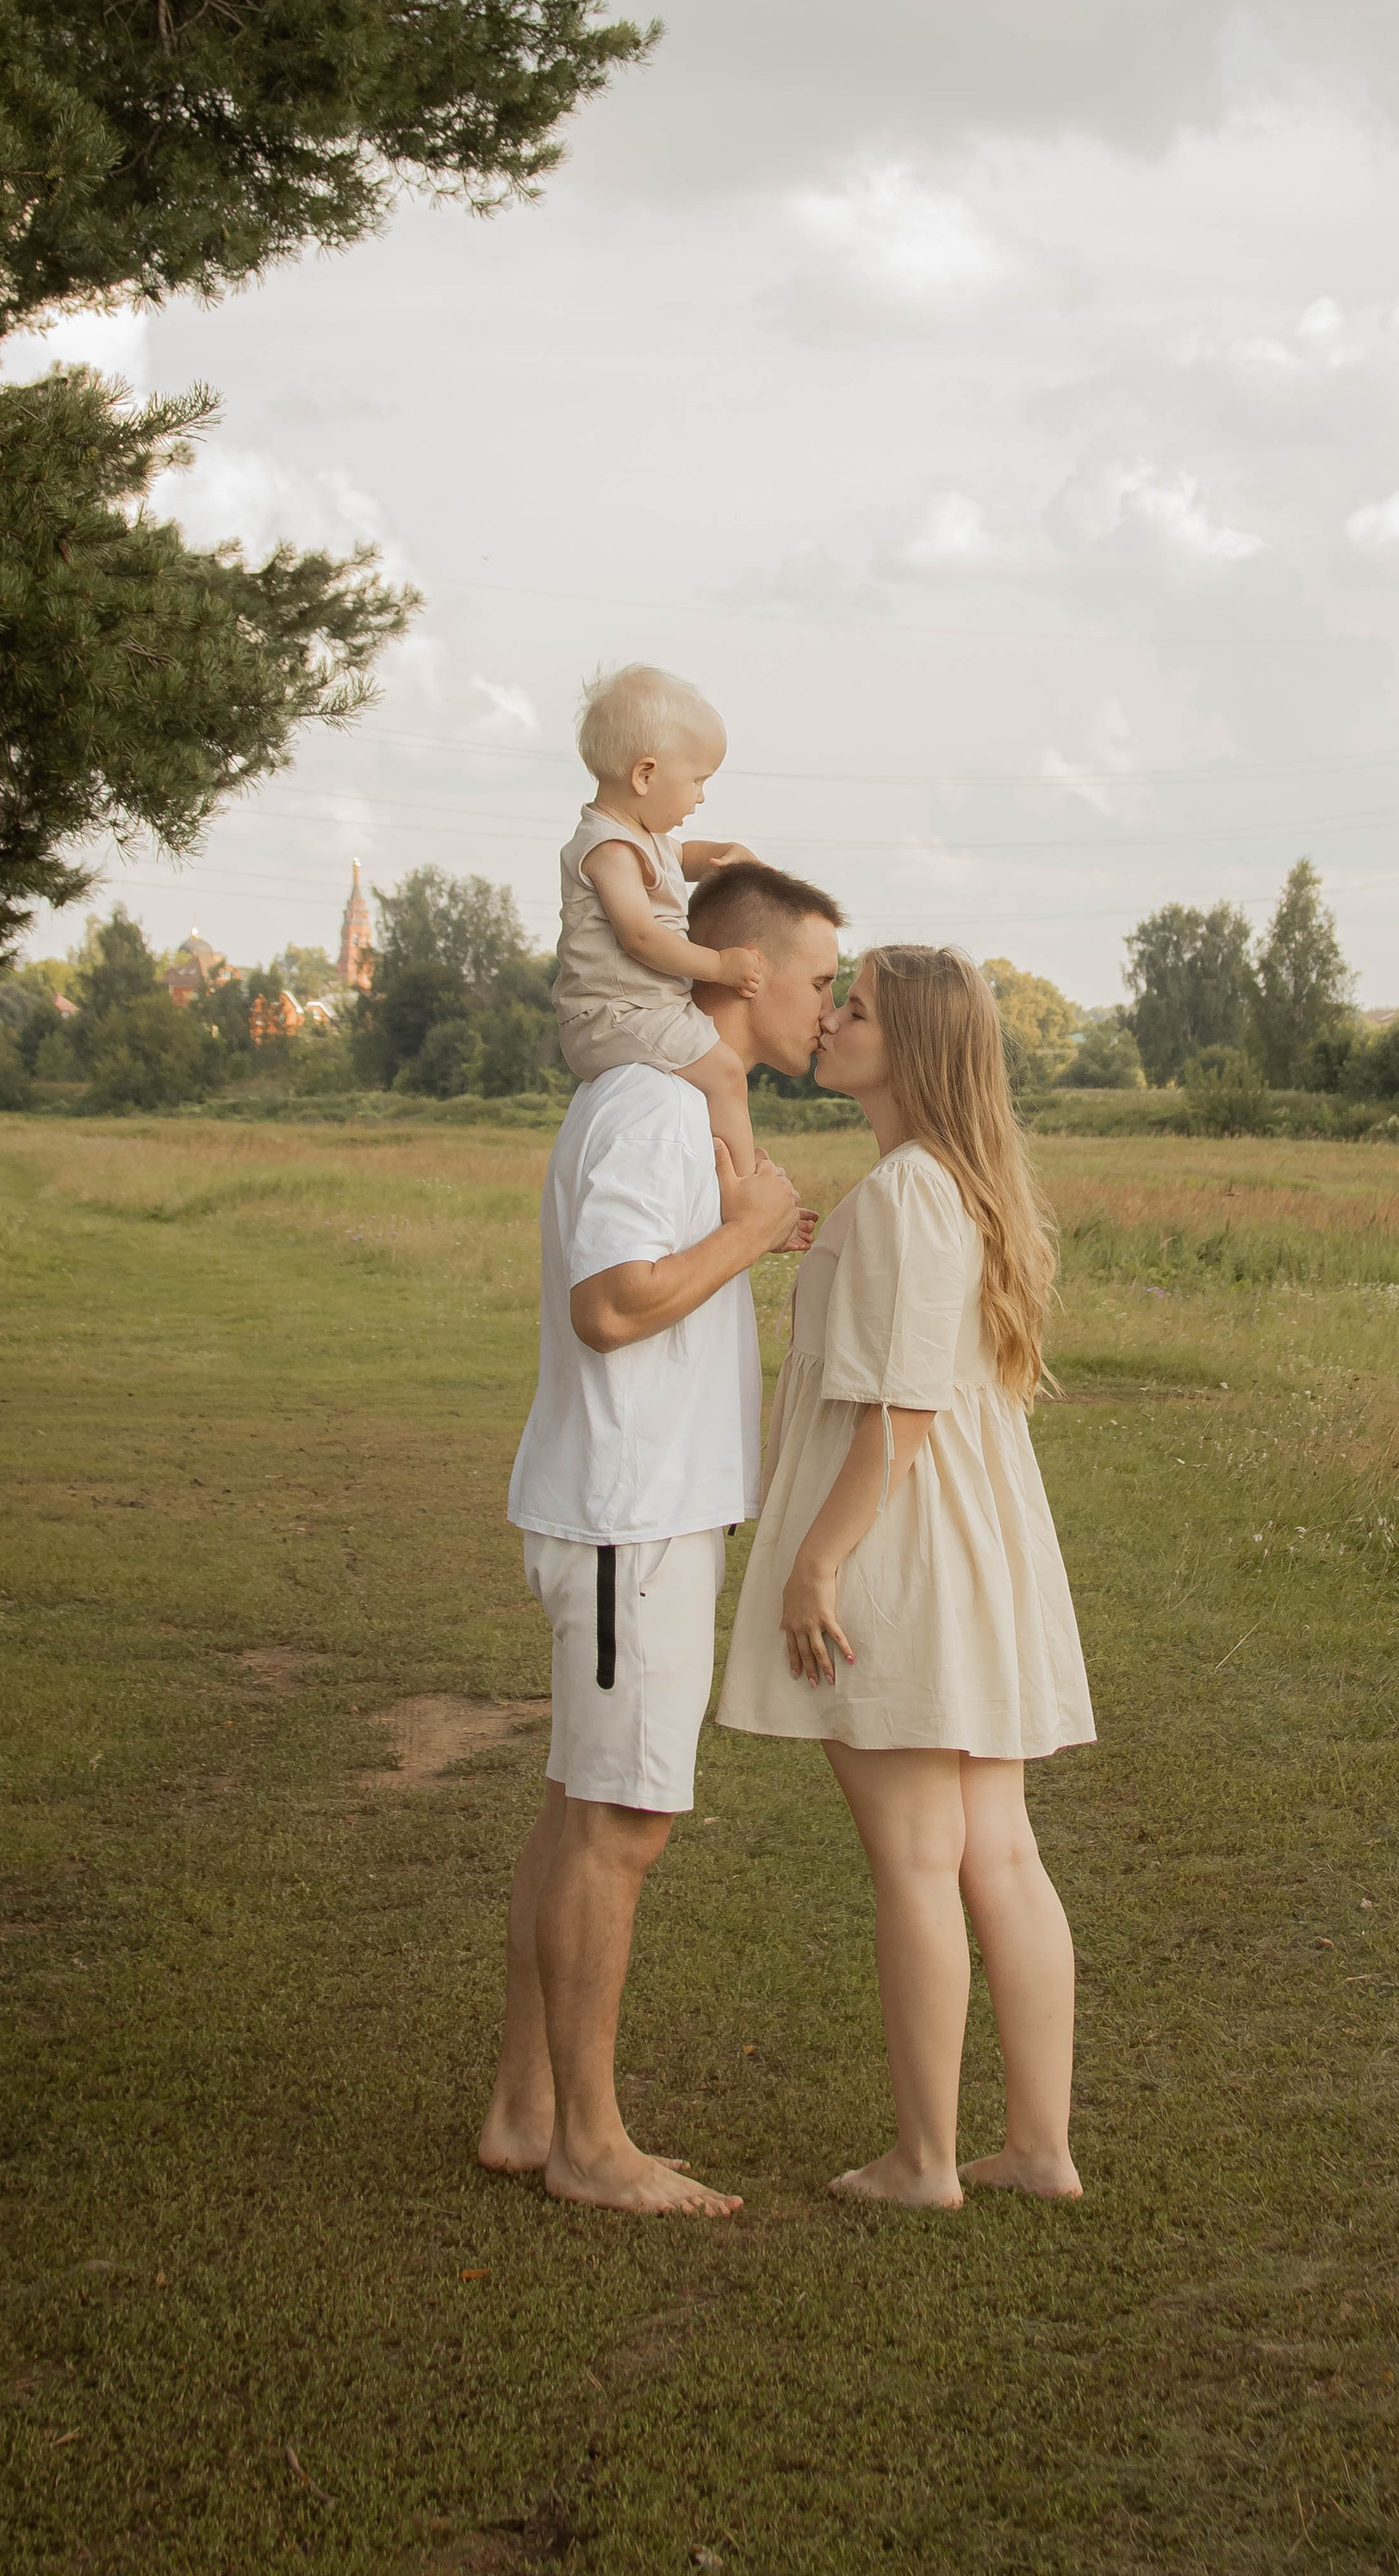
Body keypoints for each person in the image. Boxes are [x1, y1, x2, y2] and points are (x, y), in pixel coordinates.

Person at [480, 861, 845, 2216]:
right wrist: (749, 1232)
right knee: (622, 1826)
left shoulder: (684, 1100)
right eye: (820, 980)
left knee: (583, 1808)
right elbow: (612, 1305)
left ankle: (527, 2112)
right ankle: (590, 2145)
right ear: (745, 971)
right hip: (629, 1524)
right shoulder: (650, 1106)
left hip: (640, 1515)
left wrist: (748, 1228)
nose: (829, 1008)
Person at [718, 946, 1094, 2209]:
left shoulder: (904, 1193)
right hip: (966, 1545)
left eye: (859, 1009)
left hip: (899, 1546)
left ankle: (926, 2160)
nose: (829, 1020)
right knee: (999, 1854)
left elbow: (902, 1412)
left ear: (915, 1049)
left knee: (922, 1860)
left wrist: (815, 1563)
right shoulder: (941, 1187)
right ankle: (1035, 2149)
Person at [553, 662, 769, 1180]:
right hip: (614, 1016)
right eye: (697, 780)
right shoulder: (610, 848)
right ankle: (741, 1186)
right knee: (725, 1072)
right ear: (645, 775)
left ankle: (722, 1167)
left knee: (715, 1071)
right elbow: (640, 935)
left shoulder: (642, 837)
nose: (701, 796)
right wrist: (719, 966)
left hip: (639, 1010)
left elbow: (686, 856)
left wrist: (728, 852)